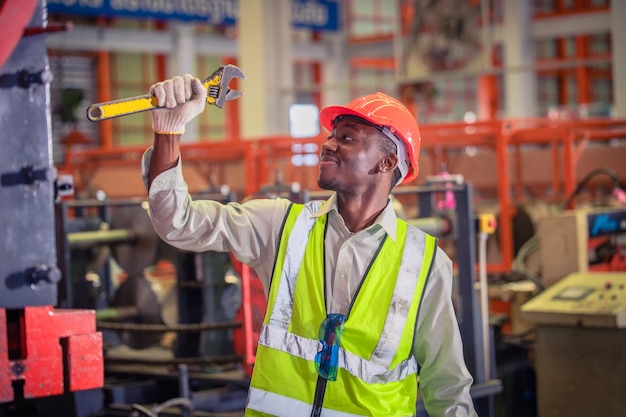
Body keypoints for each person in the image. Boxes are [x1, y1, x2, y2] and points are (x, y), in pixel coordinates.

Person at [142, 74, 478, 417]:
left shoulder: (423, 262)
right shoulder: (280, 226)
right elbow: (178, 223)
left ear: (386, 163)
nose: (328, 144)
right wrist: (169, 130)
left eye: (347, 138)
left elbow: (447, 385)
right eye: (331, 135)